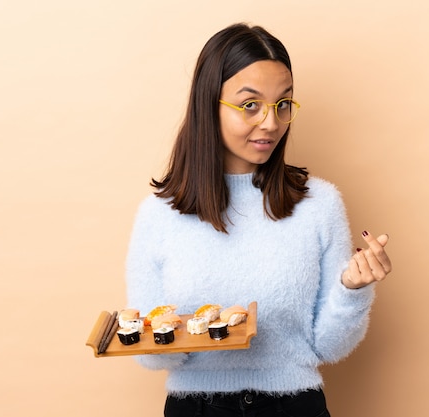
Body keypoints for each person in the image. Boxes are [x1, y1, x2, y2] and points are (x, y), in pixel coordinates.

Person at [125, 23, 392, 417]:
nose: (271, 122)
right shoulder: (159, 215)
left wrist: (353, 289)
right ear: (208, 104)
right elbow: (150, 358)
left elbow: (328, 348)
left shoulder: (319, 205)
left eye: (283, 104)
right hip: (196, 409)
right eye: (250, 105)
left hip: (295, 407)